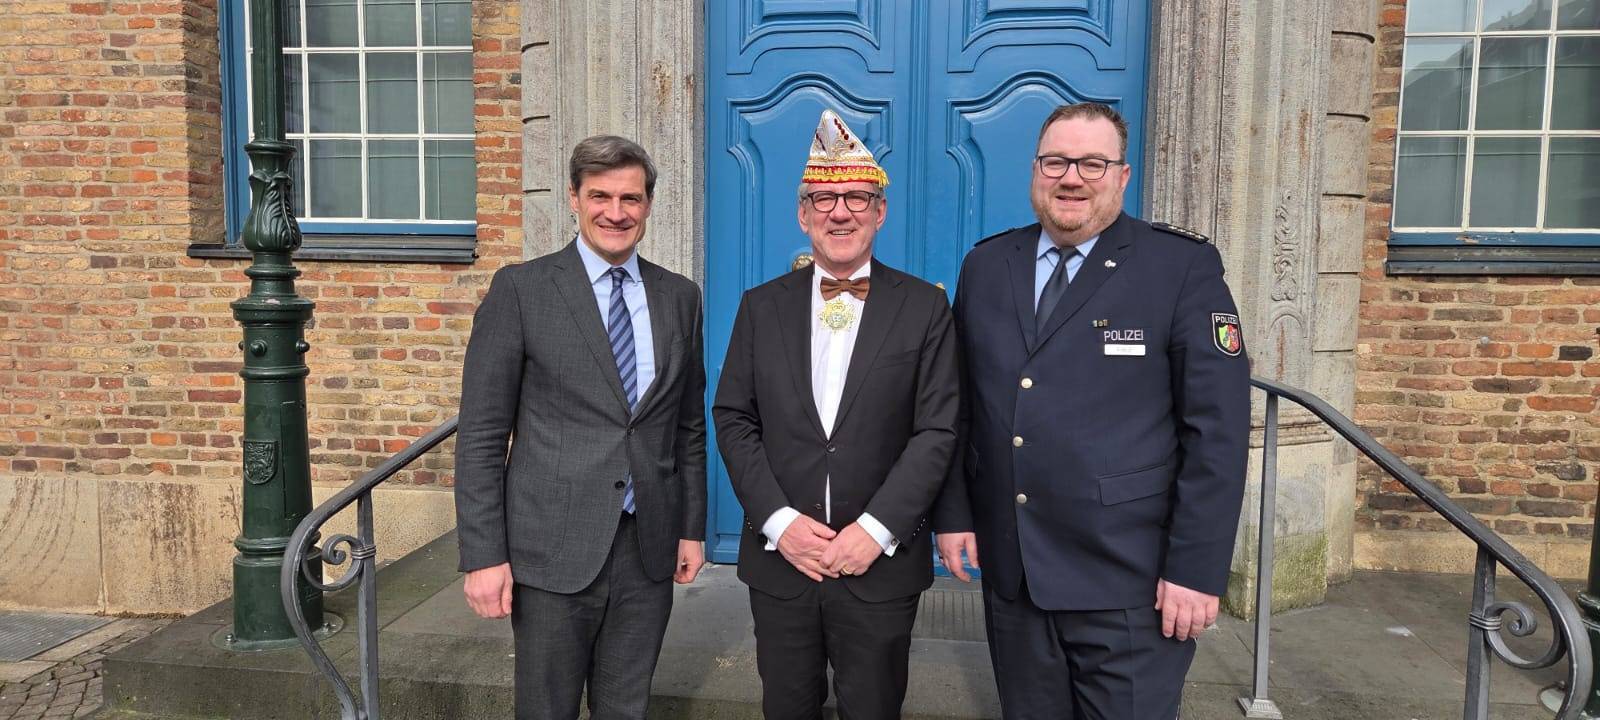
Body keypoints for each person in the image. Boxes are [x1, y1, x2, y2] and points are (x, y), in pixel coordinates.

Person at [933, 102, 1251, 719]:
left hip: (1128, 584)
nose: (1071, 177)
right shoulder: (987, 265)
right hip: (1015, 573)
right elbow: (962, 404)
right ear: (1035, 170)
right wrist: (954, 515)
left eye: (1091, 163)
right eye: (1056, 161)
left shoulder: (1180, 267)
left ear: (1122, 176)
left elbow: (1217, 431)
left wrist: (1197, 569)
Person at [713, 109, 959, 720]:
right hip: (782, 563)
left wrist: (874, 531)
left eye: (856, 197)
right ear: (803, 214)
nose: (839, 212)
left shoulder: (925, 309)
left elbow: (936, 430)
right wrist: (778, 522)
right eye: (824, 199)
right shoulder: (759, 307)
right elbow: (733, 418)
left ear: (880, 212)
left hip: (879, 565)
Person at [453, 135, 708, 720]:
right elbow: (483, 436)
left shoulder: (680, 298)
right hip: (550, 550)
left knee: (627, 708)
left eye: (631, 198)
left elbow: (686, 427)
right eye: (600, 196)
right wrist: (484, 556)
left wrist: (690, 528)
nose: (615, 213)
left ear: (648, 205)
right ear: (573, 198)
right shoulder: (521, 290)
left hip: (648, 549)